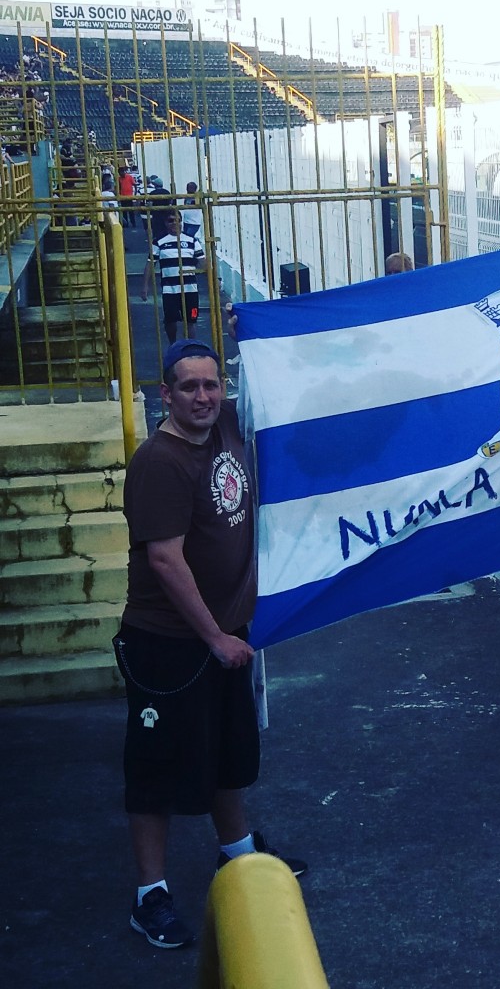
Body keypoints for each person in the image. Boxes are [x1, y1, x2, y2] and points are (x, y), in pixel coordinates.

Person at [114, 338, 306, 950]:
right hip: (169, 645)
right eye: (189, 387)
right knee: (156, 770)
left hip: (227, 634)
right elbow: (166, 561)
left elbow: (280, 381)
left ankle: (238, 853)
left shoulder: (225, 423)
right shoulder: (160, 463)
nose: (203, 396)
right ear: (164, 394)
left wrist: (248, 329)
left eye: (211, 384)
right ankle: (151, 896)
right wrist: (215, 636)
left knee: (228, 751)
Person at [143, 210, 207, 346]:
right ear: (166, 223)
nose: (175, 223)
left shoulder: (192, 241)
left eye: (178, 220)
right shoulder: (159, 242)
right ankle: (173, 345)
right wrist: (145, 286)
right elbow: (150, 264)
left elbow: (203, 261)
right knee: (170, 320)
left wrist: (214, 279)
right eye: (171, 220)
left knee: (191, 320)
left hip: (190, 289)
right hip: (169, 290)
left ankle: (191, 346)